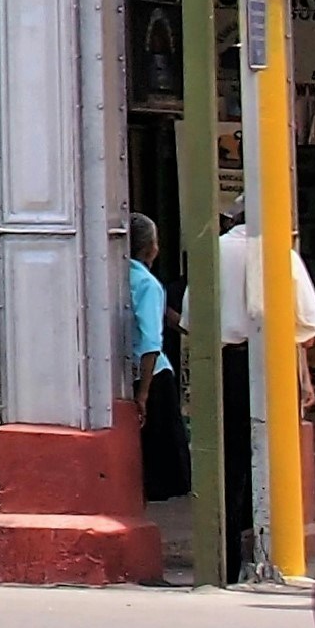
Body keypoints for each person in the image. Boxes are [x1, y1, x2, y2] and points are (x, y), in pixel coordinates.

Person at [218, 206, 315, 570]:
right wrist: (303, 377)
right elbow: (307, 327)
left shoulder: (214, 251)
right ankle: (269, 550)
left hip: (226, 365)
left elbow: (191, 321)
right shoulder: (281, 253)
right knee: (272, 458)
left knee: (230, 464)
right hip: (272, 364)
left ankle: (229, 556)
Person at [130, 215, 189, 502]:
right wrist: (144, 393)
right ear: (150, 248)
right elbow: (151, 342)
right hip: (152, 375)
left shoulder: (110, 276)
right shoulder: (148, 284)